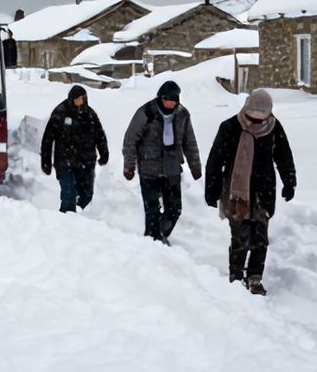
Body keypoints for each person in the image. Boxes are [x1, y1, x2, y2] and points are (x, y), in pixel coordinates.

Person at [203, 89, 296, 295]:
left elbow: (283, 156)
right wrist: (212, 189)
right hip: (237, 193)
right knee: (240, 236)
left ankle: (254, 277)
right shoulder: (230, 127)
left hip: (263, 191)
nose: (258, 117)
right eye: (255, 112)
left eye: (263, 113)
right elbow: (215, 161)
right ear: (246, 108)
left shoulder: (273, 127)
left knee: (260, 238)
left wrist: (289, 181)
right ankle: (236, 276)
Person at [122, 80, 201, 244]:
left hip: (172, 168)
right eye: (167, 100)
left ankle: (158, 235)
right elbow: (131, 139)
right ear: (161, 98)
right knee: (152, 208)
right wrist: (129, 165)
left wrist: (195, 165)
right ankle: (153, 241)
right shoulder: (146, 113)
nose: (170, 104)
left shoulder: (182, 114)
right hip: (149, 167)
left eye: (174, 101)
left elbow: (190, 141)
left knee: (175, 209)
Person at [40, 85, 109, 212]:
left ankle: (69, 218)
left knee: (86, 196)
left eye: (83, 98)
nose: (80, 101)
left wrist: (104, 153)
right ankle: (67, 221)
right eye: (77, 98)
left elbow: (99, 135)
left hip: (86, 161)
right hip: (65, 162)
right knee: (69, 196)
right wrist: (46, 161)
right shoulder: (60, 112)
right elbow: (48, 139)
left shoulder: (90, 114)